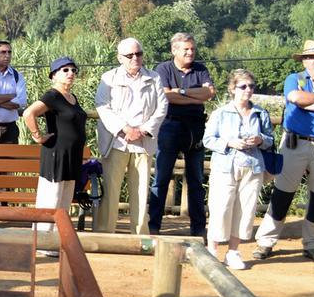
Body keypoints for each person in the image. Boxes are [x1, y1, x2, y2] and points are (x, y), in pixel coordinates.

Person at [253, 40, 314, 263]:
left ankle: (312, 245)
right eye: (313, 57)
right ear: (305, 60)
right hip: (293, 142)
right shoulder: (294, 79)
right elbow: (294, 98)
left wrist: (307, 102)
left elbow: (305, 101)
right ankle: (265, 242)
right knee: (283, 193)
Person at [95, 38, 168, 235]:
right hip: (116, 141)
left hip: (143, 142)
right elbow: (102, 106)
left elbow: (162, 107)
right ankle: (104, 233)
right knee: (111, 190)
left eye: (139, 53)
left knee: (141, 190)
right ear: (120, 58)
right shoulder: (108, 78)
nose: (135, 58)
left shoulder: (154, 78)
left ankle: (140, 235)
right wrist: (125, 129)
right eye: (129, 55)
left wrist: (143, 130)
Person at [204, 69, 273, 271]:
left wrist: (260, 140)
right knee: (221, 206)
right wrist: (230, 143)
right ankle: (212, 250)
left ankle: (233, 251)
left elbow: (270, 139)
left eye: (251, 86)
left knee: (245, 210)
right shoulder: (220, 113)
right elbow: (208, 140)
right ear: (233, 89)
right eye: (243, 86)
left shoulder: (261, 113)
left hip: (252, 167)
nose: (248, 90)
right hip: (226, 166)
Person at [149, 32, 216, 238]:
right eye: (186, 49)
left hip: (195, 129)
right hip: (169, 127)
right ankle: (154, 226)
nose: (190, 52)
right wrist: (193, 95)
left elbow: (209, 94)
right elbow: (165, 97)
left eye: (193, 49)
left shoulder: (200, 69)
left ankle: (198, 229)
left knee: (196, 179)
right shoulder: (163, 69)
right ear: (174, 50)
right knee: (161, 177)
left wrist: (181, 93)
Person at [23, 57, 87, 239]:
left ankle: (59, 239)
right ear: (54, 75)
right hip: (56, 154)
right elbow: (29, 113)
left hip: (72, 156)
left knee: (65, 200)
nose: (71, 74)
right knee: (51, 198)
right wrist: (38, 136)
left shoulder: (72, 97)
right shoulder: (52, 95)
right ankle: (43, 240)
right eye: (65, 70)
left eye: (73, 70)